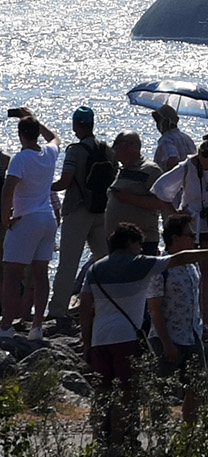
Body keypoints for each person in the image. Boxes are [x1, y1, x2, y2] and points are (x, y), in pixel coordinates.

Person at [79, 223, 208, 448]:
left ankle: (99, 442)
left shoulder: (94, 269)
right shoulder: (141, 264)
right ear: (130, 243)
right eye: (139, 244)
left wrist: (87, 342)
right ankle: (119, 446)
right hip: (126, 338)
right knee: (125, 394)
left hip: (100, 339)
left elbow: (84, 307)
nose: (141, 249)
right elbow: (181, 258)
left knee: (101, 393)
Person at [151, 134, 208, 322]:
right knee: (188, 265)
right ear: (199, 156)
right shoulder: (186, 167)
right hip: (192, 221)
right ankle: (187, 312)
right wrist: (175, 212)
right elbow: (160, 188)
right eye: (205, 162)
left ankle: (206, 317)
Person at [147, 214, 208, 423]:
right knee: (162, 389)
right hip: (167, 337)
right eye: (189, 235)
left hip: (192, 334)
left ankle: (190, 433)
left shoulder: (191, 266)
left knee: (197, 386)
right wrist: (167, 344)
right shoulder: (160, 268)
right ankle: (159, 434)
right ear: (175, 238)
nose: (194, 239)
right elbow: (154, 309)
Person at [52, 106, 114, 329]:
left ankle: (58, 310)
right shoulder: (106, 149)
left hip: (78, 210)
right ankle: (112, 302)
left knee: (68, 262)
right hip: (101, 211)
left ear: (76, 124)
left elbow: (65, 181)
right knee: (106, 260)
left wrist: (44, 187)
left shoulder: (75, 151)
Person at [1, 114, 61, 340]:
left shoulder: (20, 158)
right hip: (47, 219)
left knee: (12, 275)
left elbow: (9, 189)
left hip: (26, 219)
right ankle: (37, 326)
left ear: (20, 135)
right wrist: (36, 119)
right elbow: (55, 137)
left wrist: (5, 218)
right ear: (37, 133)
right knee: (40, 273)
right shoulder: (48, 153)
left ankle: (6, 325)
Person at [104, 132, 163, 255]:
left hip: (141, 242)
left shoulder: (150, 170)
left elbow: (161, 202)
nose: (114, 148)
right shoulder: (122, 171)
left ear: (130, 145)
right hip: (117, 241)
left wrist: (130, 199)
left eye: (117, 143)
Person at [151, 104, 195, 173]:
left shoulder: (166, 140)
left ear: (165, 121)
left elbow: (173, 160)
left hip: (170, 182)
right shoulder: (187, 138)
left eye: (158, 121)